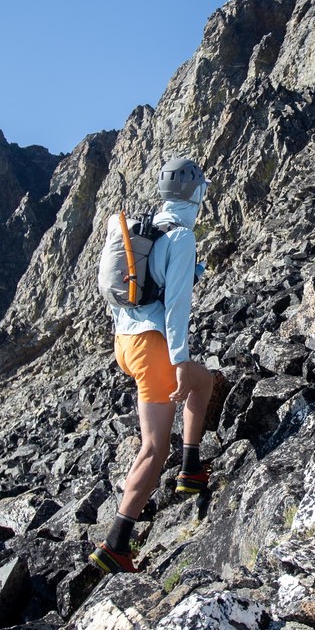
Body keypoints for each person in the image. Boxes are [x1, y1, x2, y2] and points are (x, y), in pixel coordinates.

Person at [91, 156, 216, 574]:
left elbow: (127, 291)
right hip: (153, 349)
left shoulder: (143, 228)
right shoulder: (180, 237)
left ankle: (191, 469)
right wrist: (178, 360)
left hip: (124, 342)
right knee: (153, 446)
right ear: (195, 193)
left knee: (205, 382)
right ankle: (116, 545)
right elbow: (177, 304)